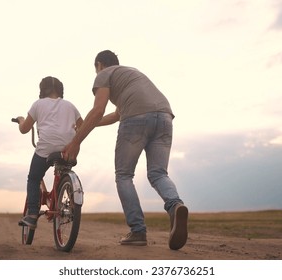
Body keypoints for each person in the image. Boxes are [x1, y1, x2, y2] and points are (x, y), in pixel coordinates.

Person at [63, 50, 188, 250]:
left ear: (99, 65)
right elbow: (114, 116)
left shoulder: (104, 74)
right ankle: (175, 206)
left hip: (137, 118)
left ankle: (138, 230)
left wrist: (76, 141)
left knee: (123, 175)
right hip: (164, 116)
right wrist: (85, 126)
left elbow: (98, 111)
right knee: (158, 173)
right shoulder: (131, 74)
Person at [16, 76, 83, 228]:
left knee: (33, 178)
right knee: (61, 171)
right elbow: (82, 126)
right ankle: (64, 200)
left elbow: (25, 129)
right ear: (60, 90)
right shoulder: (70, 106)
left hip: (45, 148)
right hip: (68, 149)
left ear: (42, 89)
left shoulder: (38, 104)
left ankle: (32, 214)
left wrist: (21, 120)